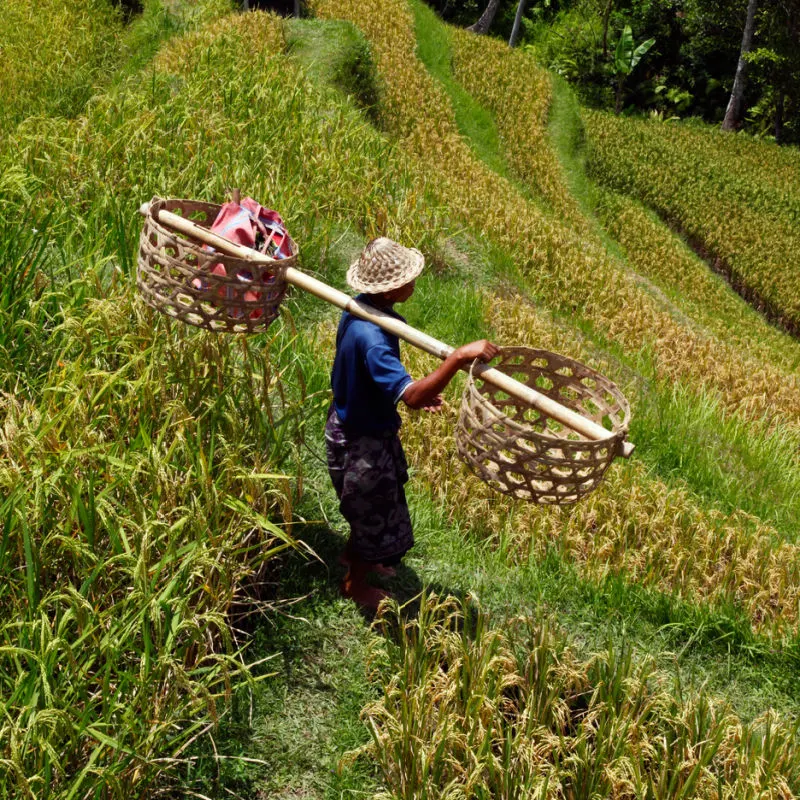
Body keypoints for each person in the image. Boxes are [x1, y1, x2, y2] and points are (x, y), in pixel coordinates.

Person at [325, 237, 499, 609]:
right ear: (390, 288)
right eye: (408, 277)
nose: (414, 281)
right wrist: (456, 359)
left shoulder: (361, 308)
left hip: (357, 419)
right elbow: (414, 398)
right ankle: (355, 584)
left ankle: (353, 556)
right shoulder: (372, 337)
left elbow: (393, 383)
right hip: (361, 440)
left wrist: (415, 388)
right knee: (371, 509)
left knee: (369, 505)